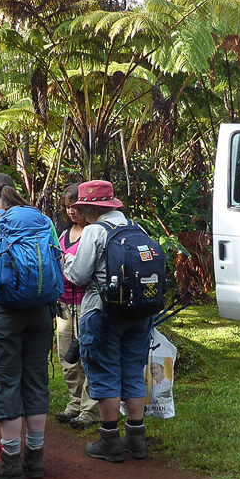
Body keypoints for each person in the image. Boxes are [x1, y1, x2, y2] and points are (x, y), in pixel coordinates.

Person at [0, 173, 56, 479]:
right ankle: (35, 458)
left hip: (4, 312)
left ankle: (10, 461)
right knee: (35, 379)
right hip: (42, 312)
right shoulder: (42, 219)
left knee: (7, 382)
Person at [63, 179, 153, 463]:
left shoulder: (94, 231)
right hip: (140, 314)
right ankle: (136, 440)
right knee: (132, 371)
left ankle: (109, 441)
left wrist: (66, 261)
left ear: (92, 208)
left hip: (102, 313)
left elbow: (77, 275)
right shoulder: (137, 228)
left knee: (105, 372)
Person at [54, 183, 99, 430]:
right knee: (67, 357)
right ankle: (74, 402)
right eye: (68, 206)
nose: (71, 211)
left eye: (75, 206)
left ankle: (89, 409)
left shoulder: (93, 234)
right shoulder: (64, 233)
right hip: (64, 303)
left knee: (87, 356)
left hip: (86, 303)